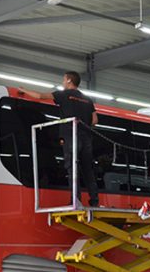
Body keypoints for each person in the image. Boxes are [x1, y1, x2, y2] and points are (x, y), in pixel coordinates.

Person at [19, 71, 100, 207]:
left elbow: (40, 96)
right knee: (87, 170)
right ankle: (94, 200)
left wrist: (23, 90)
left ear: (69, 81)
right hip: (86, 138)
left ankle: (76, 200)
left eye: (64, 79)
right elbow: (95, 120)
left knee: (72, 168)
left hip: (71, 136)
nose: (63, 82)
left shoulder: (63, 95)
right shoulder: (88, 99)